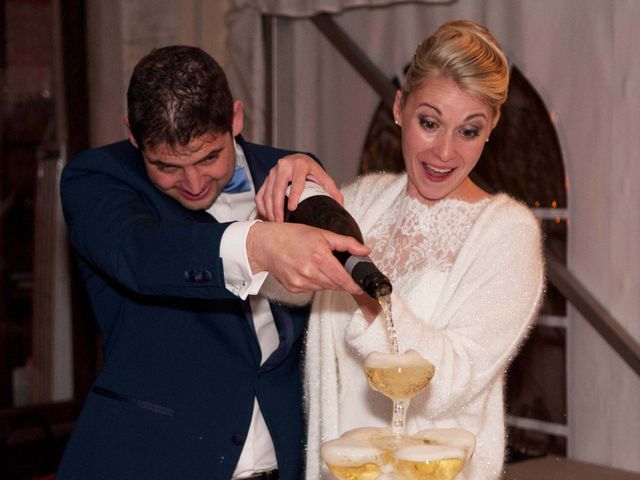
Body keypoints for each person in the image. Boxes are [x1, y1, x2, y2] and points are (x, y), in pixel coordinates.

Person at [56, 45, 371, 480]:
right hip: (153, 461)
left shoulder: (290, 170)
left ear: (236, 119)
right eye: (167, 166)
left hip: (285, 461)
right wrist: (258, 244)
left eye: (209, 157)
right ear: (133, 135)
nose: (193, 182)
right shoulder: (96, 178)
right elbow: (142, 254)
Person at [257, 20, 545, 480]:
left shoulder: (506, 234)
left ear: (491, 128)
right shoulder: (367, 198)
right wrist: (291, 202)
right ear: (399, 108)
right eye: (429, 123)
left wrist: (363, 292)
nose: (444, 152)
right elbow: (282, 287)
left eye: (468, 131)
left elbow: (452, 380)